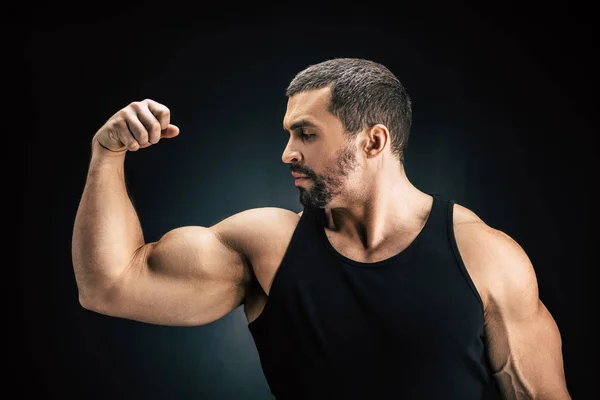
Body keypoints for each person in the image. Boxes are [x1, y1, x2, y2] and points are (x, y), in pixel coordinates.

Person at [72, 58, 571, 399]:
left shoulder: (485, 256)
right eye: (289, 134)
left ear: (374, 142)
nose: (288, 152)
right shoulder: (266, 248)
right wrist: (106, 155)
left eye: (306, 134)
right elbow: (109, 286)